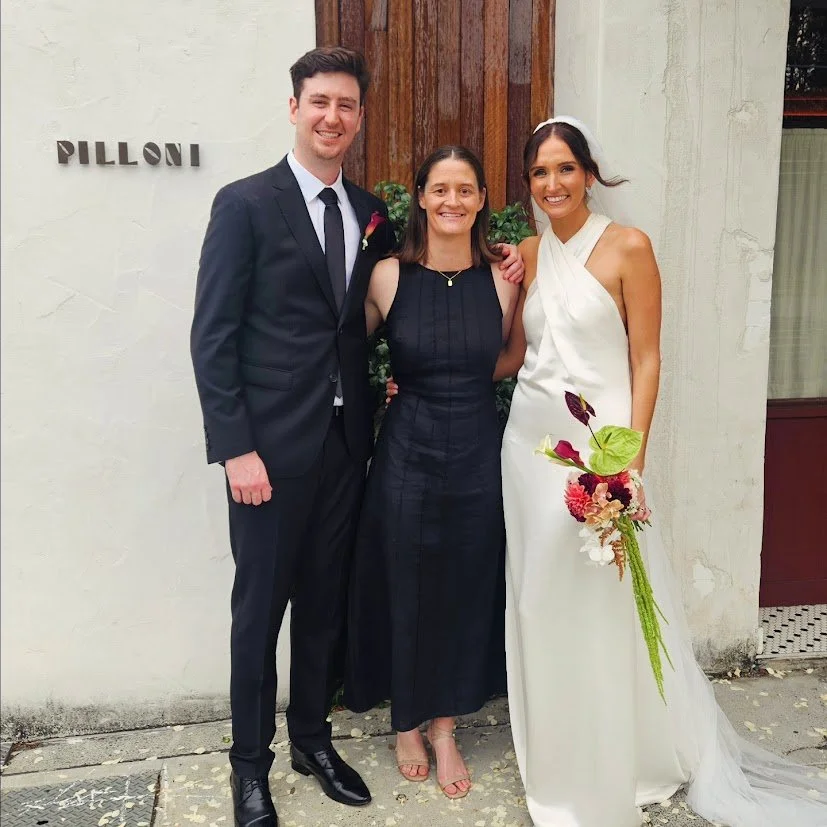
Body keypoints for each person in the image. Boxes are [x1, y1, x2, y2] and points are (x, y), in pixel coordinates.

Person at [190, 46, 524, 827]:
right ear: (295, 108)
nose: (332, 117)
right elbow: (213, 338)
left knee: (323, 610)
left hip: (348, 449)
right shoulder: (244, 204)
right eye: (319, 103)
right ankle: (250, 768)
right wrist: (235, 445)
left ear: (359, 115)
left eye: (346, 104)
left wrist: (499, 263)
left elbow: (396, 316)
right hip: (267, 456)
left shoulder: (369, 214)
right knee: (259, 612)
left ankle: (313, 738)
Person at [494, 116, 827, 827]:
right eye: (538, 173)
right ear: (528, 185)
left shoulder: (627, 246)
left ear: (588, 172)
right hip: (527, 449)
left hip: (599, 454)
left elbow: (646, 359)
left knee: (605, 600)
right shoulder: (526, 249)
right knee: (535, 600)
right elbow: (517, 355)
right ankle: (554, 751)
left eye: (563, 169)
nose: (551, 184)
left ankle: (625, 750)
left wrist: (631, 463)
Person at [344, 146, 521, 800]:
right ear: (419, 196)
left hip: (477, 446)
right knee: (404, 580)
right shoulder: (386, 275)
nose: (452, 200)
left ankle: (444, 726)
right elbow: (341, 352)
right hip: (406, 449)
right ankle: (404, 723)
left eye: (465, 190)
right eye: (439, 189)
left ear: (479, 200)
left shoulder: (505, 277)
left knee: (465, 583)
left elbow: (506, 361)